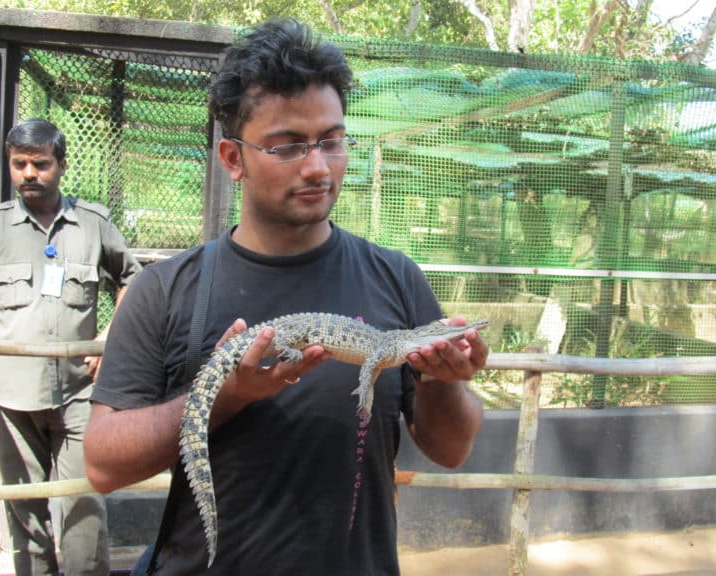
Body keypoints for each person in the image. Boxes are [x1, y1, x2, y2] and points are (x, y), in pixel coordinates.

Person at [83, 19, 487, 576]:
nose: (318, 166)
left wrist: (446, 378)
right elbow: (102, 464)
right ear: (232, 158)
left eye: (332, 140)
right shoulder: (165, 289)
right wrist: (225, 398)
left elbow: (451, 449)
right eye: (288, 146)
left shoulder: (398, 277)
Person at [0, 118, 142, 576]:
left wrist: (107, 340)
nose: (28, 174)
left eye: (40, 164)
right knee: (26, 517)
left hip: (81, 392)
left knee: (83, 509)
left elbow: (133, 279)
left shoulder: (93, 224)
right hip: (11, 398)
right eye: (19, 164)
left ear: (60, 165)